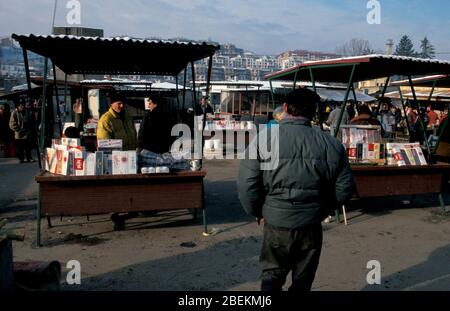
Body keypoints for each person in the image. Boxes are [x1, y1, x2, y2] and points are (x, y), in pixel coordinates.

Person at [238, 88, 355, 291]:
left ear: (285, 108)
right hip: (311, 224)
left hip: (276, 221)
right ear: (314, 112)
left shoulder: (264, 140)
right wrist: (324, 209)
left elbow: (247, 184)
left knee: (272, 277)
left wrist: (257, 211)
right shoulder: (331, 144)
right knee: (303, 280)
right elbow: (345, 187)